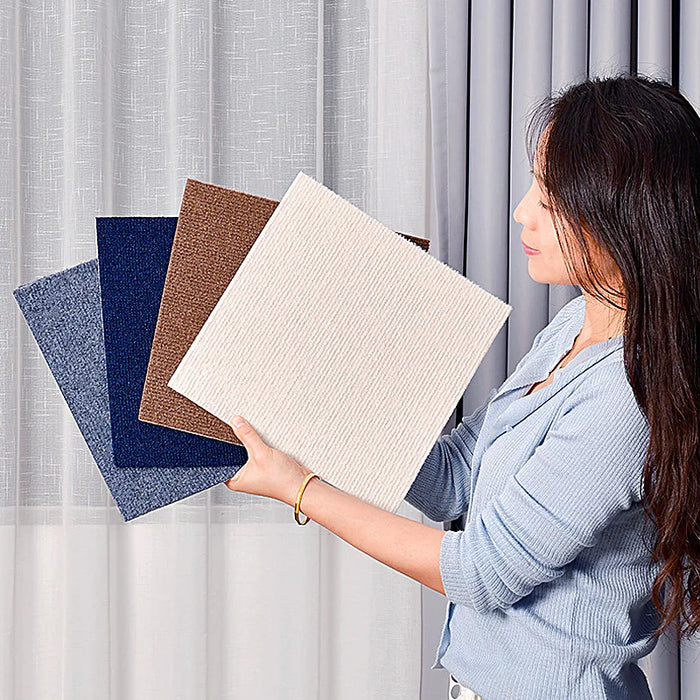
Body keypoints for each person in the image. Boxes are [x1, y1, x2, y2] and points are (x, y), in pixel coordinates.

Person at [223, 74, 700, 699]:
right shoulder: (573, 326)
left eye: (552, 200)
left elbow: (480, 573)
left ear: (624, 219)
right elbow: (454, 478)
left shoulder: (624, 400)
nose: (522, 212)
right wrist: (323, 376)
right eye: (533, 185)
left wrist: (301, 489)